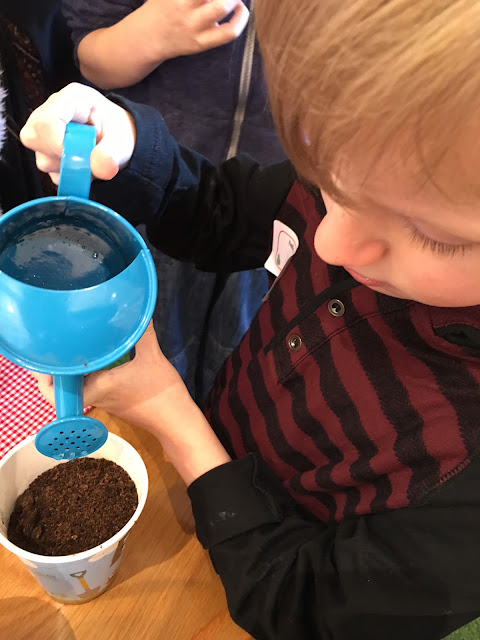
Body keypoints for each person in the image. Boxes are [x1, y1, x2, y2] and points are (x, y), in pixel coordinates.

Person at [21, 1, 480, 638]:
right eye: (328, 178)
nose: (331, 246)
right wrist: (130, 148)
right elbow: (232, 214)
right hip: (211, 474)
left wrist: (172, 416)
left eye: (433, 237)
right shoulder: (371, 185)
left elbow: (299, 605)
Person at [61, 0, 286, 402]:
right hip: (154, 189)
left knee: (238, 348)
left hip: (271, 206)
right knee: (151, 338)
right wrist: (152, 34)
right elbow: (89, 52)